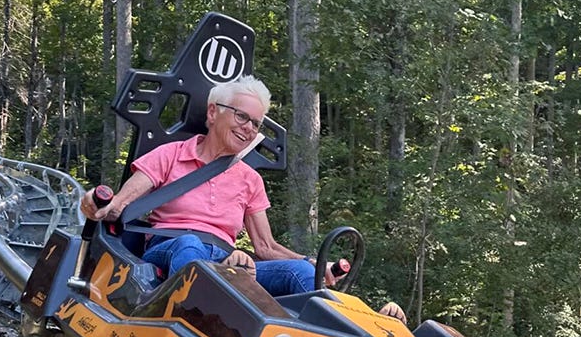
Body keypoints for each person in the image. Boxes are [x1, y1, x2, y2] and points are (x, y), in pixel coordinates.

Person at [80, 74, 407, 321]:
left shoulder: (249, 179)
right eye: (242, 117)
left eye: (256, 123)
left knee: (303, 276)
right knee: (190, 245)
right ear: (212, 113)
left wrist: (313, 264)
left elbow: (266, 248)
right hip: (170, 251)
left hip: (227, 262)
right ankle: (200, 319)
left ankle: (351, 330)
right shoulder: (170, 155)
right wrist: (98, 205)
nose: (250, 129)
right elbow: (118, 206)